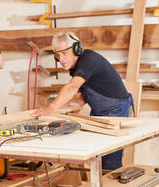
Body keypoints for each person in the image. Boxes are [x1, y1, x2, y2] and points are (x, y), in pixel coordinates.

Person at [33, 32, 133, 170]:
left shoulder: (88, 60)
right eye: (57, 55)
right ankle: (101, 186)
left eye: (64, 53)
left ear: (76, 49)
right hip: (102, 111)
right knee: (99, 155)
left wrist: (51, 108)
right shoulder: (76, 66)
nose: (61, 59)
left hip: (115, 110)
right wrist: (80, 102)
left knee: (110, 159)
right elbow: (97, 85)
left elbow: (72, 87)